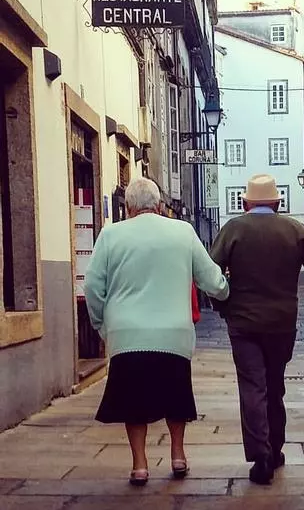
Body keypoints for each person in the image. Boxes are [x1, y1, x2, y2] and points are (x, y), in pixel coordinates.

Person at [84, 177, 229, 487]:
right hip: (173, 333)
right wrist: (227, 291)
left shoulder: (111, 235)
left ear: (128, 207)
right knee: (176, 395)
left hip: (127, 334)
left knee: (132, 401)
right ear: (161, 206)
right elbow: (211, 280)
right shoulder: (183, 232)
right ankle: (177, 455)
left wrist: (101, 324)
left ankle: (139, 465)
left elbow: (93, 287)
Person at [209, 174, 304, 485]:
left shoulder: (233, 229)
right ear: (278, 203)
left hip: (243, 324)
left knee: (253, 388)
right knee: (274, 386)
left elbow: (210, 272)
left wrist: (222, 307)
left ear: (245, 203)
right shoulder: (295, 229)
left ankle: (261, 456)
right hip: (282, 324)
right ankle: (276, 448)